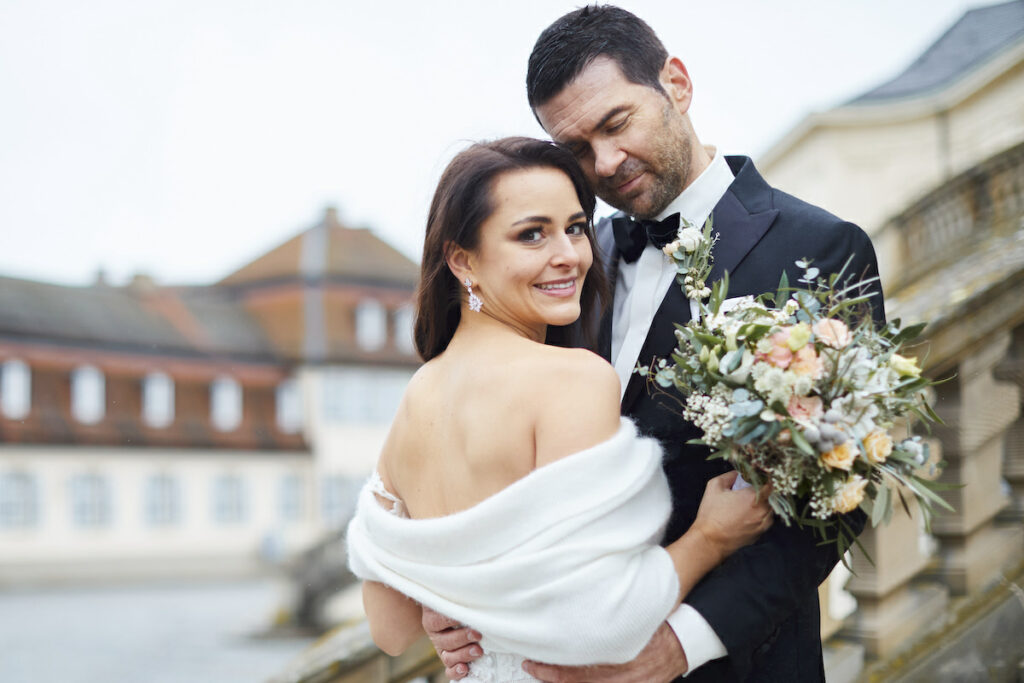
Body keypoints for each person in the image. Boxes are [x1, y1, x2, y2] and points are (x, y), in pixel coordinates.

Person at [423, 6, 885, 683]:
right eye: (577, 149)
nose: (605, 163)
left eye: (616, 124)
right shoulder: (571, 263)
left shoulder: (818, 248)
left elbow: (835, 498)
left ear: (677, 83)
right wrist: (451, 592)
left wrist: (679, 644)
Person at [345, 136, 773, 683]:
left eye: (574, 227)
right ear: (462, 261)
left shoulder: (418, 395)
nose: (569, 254)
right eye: (532, 234)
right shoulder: (573, 379)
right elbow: (603, 622)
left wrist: (460, 599)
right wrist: (710, 538)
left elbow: (391, 629)